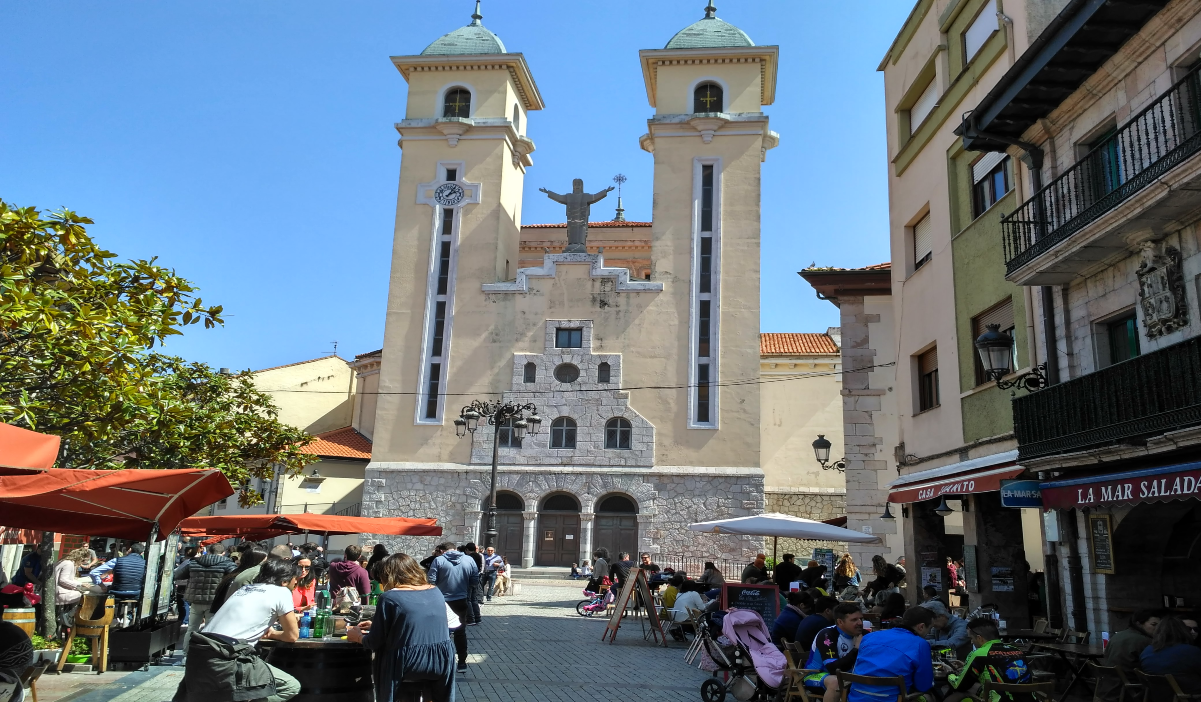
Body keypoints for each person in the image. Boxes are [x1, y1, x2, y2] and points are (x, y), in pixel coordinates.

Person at [177, 558, 301, 702]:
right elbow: (292, 635)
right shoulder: (281, 591)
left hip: (199, 652)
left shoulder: (244, 589)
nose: (296, 583)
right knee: (290, 686)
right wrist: (273, 633)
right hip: (227, 657)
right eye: (295, 580)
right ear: (285, 581)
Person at [347, 553, 456, 702]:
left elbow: (374, 642)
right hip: (441, 660)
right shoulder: (435, 591)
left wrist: (357, 637)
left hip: (407, 663)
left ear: (387, 575)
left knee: (382, 657)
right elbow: (420, 622)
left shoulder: (390, 597)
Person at [848, 606, 935, 702]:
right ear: (921, 626)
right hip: (893, 699)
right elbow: (923, 686)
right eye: (930, 628)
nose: (928, 632)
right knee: (929, 697)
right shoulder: (920, 644)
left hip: (855, 698)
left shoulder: (869, 637)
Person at [943, 617, 1031, 702]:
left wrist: (949, 673)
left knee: (958, 693)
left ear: (979, 638)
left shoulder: (979, 654)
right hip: (1029, 699)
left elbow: (959, 685)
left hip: (1000, 699)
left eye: (971, 638)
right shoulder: (1017, 650)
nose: (971, 642)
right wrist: (967, 666)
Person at [174, 542, 238, 653]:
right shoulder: (227, 563)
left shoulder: (194, 562)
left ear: (208, 551)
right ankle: (206, 655)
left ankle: (186, 655)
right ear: (223, 553)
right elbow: (237, 578)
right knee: (210, 630)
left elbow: (177, 574)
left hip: (195, 600)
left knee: (192, 628)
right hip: (215, 602)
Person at [427, 542, 478, 673]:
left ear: (443, 550)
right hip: (461, 600)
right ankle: (462, 662)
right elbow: (475, 579)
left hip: (441, 601)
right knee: (460, 632)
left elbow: (431, 580)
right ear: (455, 548)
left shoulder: (438, 560)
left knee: (441, 633)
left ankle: (442, 662)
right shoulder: (469, 559)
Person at [804, 602, 865, 702]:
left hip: (848, 676)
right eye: (854, 620)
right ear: (840, 622)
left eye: (861, 619)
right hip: (817, 675)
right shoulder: (827, 635)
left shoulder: (863, 634)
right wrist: (856, 650)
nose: (860, 623)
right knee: (836, 682)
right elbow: (833, 669)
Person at [1141, 616, 1201, 694]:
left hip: (1159, 695)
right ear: (1183, 631)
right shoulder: (1190, 651)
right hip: (1188, 693)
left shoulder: (1147, 650)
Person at [1103, 608, 1163, 672]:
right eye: (1154, 625)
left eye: (1160, 625)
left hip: (1111, 678)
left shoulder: (1117, 635)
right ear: (1139, 624)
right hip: (1132, 679)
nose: (1158, 628)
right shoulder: (1145, 641)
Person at [210, 546, 266, 612]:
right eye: (264, 562)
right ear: (255, 562)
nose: (267, 564)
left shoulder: (235, 573)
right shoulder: (241, 577)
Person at [52, 547, 91, 635]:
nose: (84, 563)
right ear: (81, 558)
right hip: (59, 593)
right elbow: (63, 580)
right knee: (85, 596)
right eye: (84, 561)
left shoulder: (64, 561)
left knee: (80, 593)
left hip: (57, 591)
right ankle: (69, 615)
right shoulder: (69, 564)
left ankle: (68, 616)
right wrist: (80, 584)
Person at [461, 544, 485, 624]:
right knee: (474, 599)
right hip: (476, 578)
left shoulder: (469, 557)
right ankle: (478, 618)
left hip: (469, 579)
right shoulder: (478, 555)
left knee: (468, 599)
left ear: (467, 549)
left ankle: (470, 619)